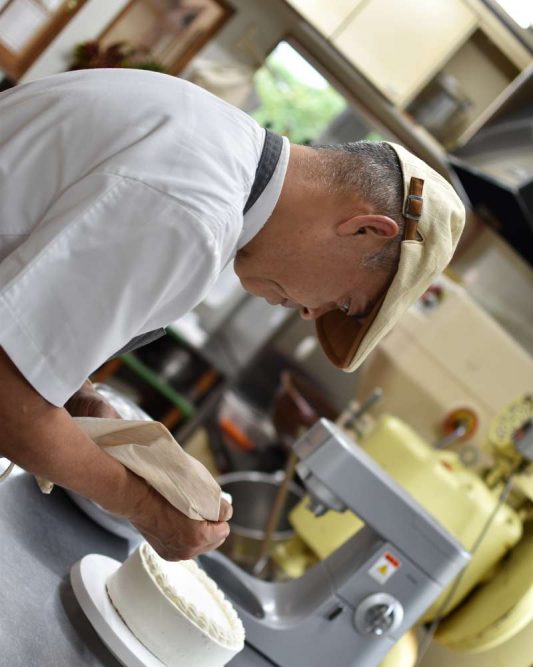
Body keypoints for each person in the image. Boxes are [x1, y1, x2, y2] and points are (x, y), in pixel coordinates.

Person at [0, 68, 465, 560]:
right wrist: (143, 506)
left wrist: (80, 396)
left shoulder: (219, 145)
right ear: (365, 230)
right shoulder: (198, 213)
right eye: (345, 302)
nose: (311, 312)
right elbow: (9, 404)